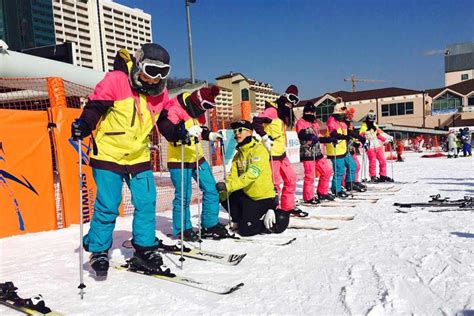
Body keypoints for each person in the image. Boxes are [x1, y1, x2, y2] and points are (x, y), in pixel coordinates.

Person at [71, 44, 172, 275]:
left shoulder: (160, 93)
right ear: (139, 64)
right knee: (108, 205)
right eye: (150, 70)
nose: (155, 78)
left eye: (162, 72)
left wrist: (177, 133)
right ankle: (98, 250)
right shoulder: (117, 80)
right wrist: (83, 125)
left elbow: (164, 121)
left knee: (146, 202)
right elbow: (95, 108)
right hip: (109, 155)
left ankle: (144, 248)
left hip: (138, 156)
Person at [157, 85, 230, 241]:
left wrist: (211, 135)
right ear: (197, 101)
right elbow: (166, 129)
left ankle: (209, 224)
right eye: (205, 107)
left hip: (197, 157)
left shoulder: (198, 112)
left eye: (209, 108)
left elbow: (201, 130)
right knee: (184, 196)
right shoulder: (175, 107)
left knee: (211, 189)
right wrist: (183, 132)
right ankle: (184, 229)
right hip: (179, 159)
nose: (205, 111)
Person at [215, 120, 289, 236]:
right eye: (234, 131)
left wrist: (228, 186)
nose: (236, 134)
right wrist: (222, 194)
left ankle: (269, 214)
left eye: (240, 130)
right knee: (226, 195)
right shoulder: (238, 155)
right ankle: (239, 219)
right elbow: (232, 177)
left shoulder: (258, 150)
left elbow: (251, 175)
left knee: (246, 231)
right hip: (248, 196)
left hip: (262, 198)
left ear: (249, 132)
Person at [253, 85, 305, 216]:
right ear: (285, 95)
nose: (292, 103)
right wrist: (264, 137)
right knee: (274, 183)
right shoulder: (272, 110)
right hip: (271, 154)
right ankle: (273, 209)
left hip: (281, 153)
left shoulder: (282, 114)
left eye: (295, 100)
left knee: (291, 179)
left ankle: (288, 206)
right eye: (291, 98)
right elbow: (256, 122)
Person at [295, 102, 336, 203]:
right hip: (307, 153)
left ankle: (322, 192)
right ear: (304, 112)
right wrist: (309, 136)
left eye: (311, 112)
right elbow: (301, 134)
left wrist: (329, 139)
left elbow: (318, 138)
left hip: (317, 152)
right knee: (310, 176)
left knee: (327, 171)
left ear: (314, 113)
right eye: (307, 111)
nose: (309, 113)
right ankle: (308, 197)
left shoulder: (315, 123)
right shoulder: (301, 122)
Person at [325, 98, 357, 198]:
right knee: (339, 171)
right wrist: (344, 137)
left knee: (352, 166)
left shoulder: (342, 122)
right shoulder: (331, 121)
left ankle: (349, 183)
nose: (344, 115)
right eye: (342, 114)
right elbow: (334, 133)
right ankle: (336, 189)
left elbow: (349, 132)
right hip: (335, 149)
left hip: (343, 149)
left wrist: (359, 138)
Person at [359, 110, 394, 182]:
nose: (372, 119)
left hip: (378, 146)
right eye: (371, 117)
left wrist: (386, 139)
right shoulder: (364, 126)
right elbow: (361, 136)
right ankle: (373, 176)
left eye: (374, 117)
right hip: (370, 147)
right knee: (373, 162)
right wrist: (364, 140)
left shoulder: (374, 125)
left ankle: (383, 175)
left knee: (383, 161)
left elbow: (378, 134)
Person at [341, 106, 367, 192]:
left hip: (351, 147)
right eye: (348, 114)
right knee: (347, 167)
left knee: (357, 166)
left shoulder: (350, 123)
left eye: (352, 114)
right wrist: (357, 138)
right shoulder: (343, 122)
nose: (350, 116)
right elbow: (349, 134)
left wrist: (356, 142)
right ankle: (345, 183)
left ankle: (354, 181)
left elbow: (353, 134)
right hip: (344, 148)